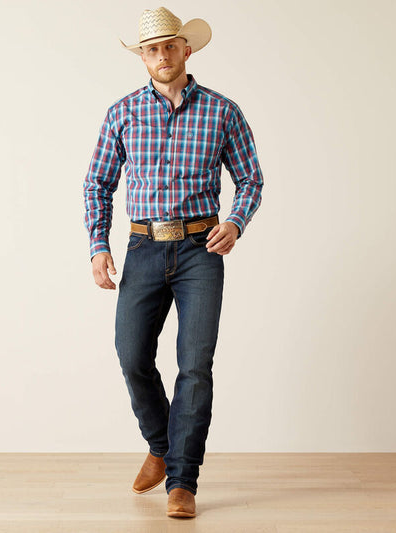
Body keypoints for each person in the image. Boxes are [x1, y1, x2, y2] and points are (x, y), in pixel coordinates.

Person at [83, 6, 264, 519]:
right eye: (151, 49)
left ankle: (182, 481)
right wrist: (99, 245)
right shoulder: (122, 113)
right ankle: (160, 446)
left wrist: (236, 222)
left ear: (186, 49)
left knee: (195, 366)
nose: (161, 55)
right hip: (142, 248)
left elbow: (250, 178)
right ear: (142, 57)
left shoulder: (223, 111)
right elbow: (97, 183)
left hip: (200, 250)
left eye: (169, 46)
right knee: (131, 354)